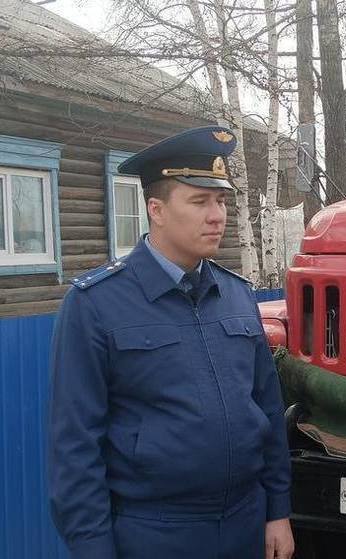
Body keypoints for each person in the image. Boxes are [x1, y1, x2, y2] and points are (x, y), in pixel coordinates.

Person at [48, 126, 294, 559]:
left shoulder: (237, 294)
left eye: (220, 200)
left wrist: (278, 510)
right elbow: (75, 447)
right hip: (155, 533)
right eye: (199, 201)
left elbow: (268, 410)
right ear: (156, 210)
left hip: (245, 524)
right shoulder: (96, 304)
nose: (217, 215)